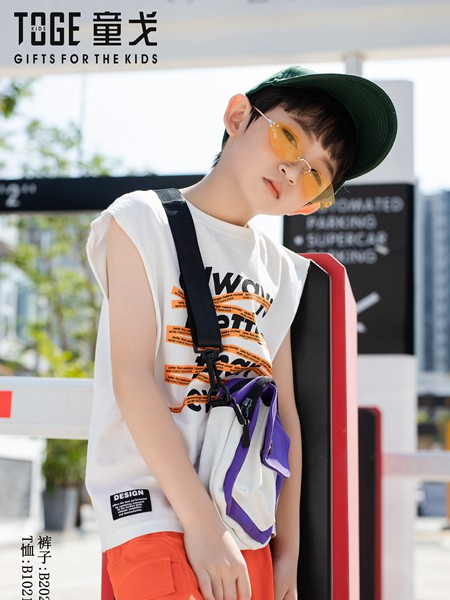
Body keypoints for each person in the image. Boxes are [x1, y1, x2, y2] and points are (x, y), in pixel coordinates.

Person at [86, 65, 397, 600]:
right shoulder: (141, 220)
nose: (293, 170)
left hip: (248, 525)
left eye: (316, 175)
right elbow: (132, 378)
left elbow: (284, 417)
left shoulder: (284, 272)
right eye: (288, 137)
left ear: (311, 202)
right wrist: (202, 525)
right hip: (153, 511)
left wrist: (288, 552)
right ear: (238, 117)